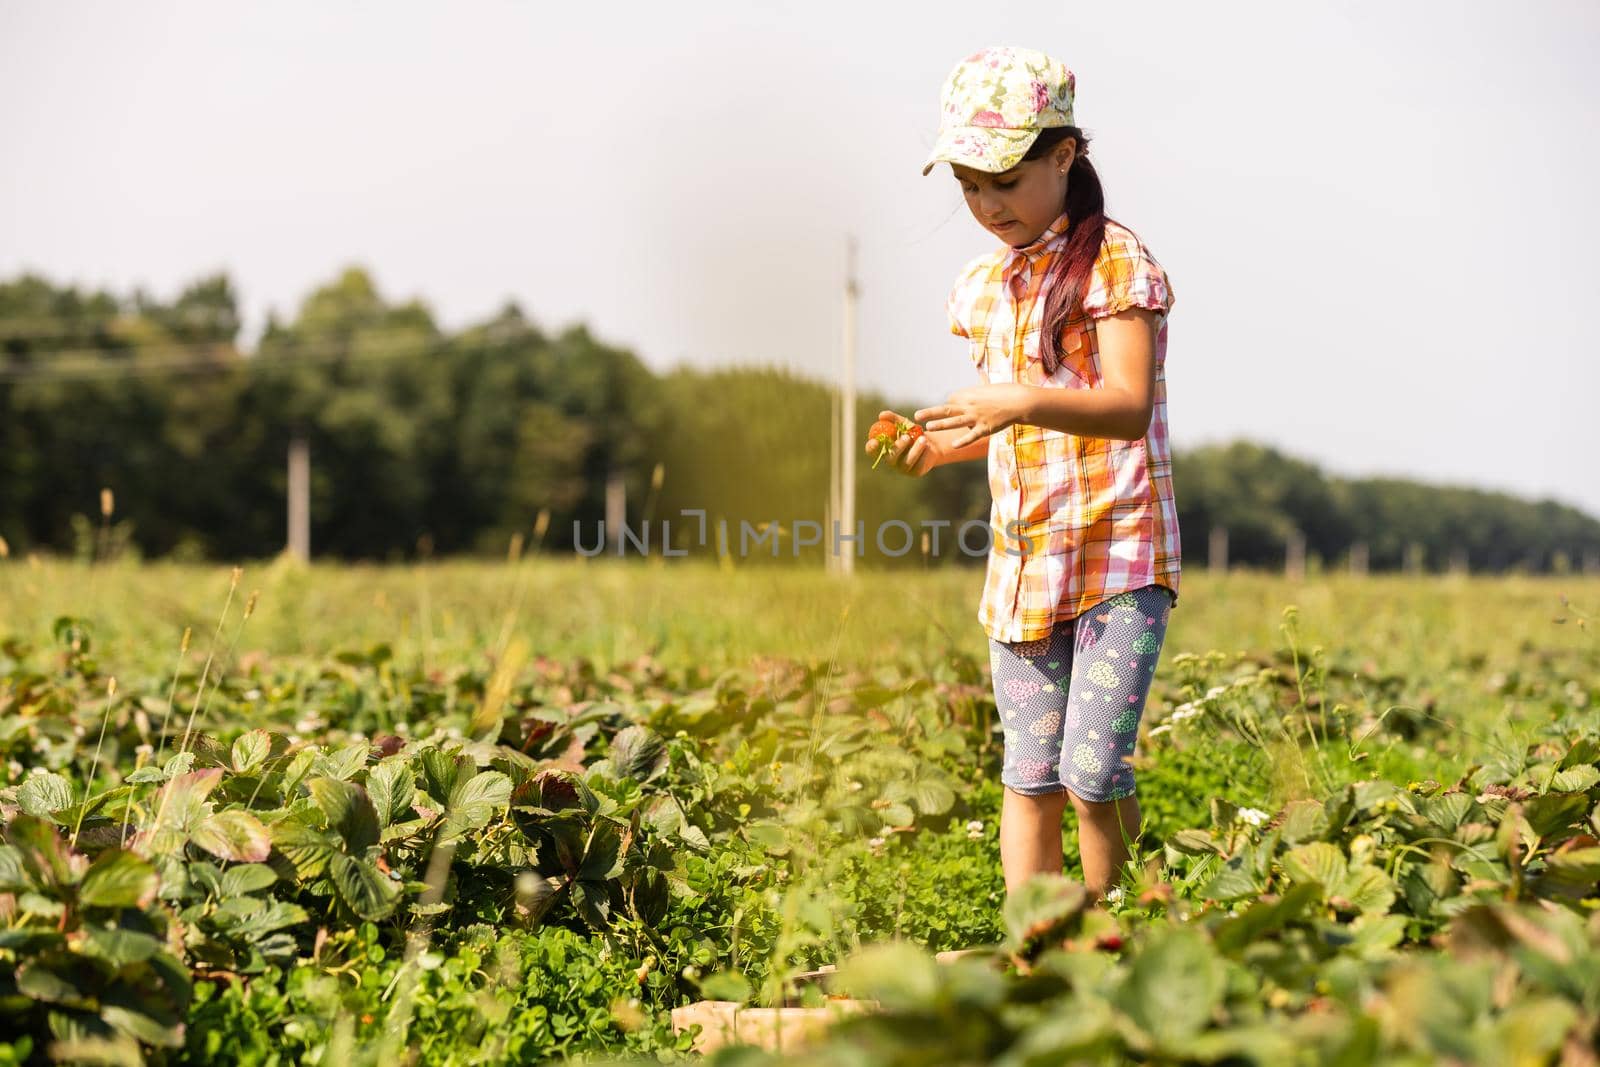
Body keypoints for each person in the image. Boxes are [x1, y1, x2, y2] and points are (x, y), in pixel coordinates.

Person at [866, 45, 1181, 905]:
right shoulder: (987, 283)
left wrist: (1014, 397)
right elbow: (1013, 429)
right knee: (1030, 772)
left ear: (1064, 156)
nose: (985, 204)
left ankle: (1119, 939)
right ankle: (1037, 949)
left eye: (1004, 179)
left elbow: (1121, 405)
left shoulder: (1114, 263)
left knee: (1089, 770)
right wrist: (941, 445)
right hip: (1025, 563)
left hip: (1119, 557)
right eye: (969, 185)